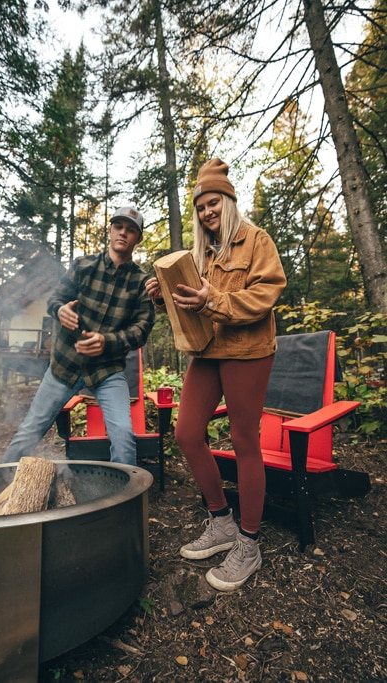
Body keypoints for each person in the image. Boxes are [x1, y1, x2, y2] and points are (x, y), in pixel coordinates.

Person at [146, 159, 287, 591]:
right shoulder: (199, 254)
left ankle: (249, 541)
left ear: (228, 201)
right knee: (187, 433)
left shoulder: (255, 240)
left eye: (214, 203)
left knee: (245, 440)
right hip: (208, 351)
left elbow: (266, 293)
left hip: (247, 350)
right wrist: (162, 296)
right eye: (201, 207)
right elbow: (190, 303)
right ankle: (221, 519)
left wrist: (214, 299)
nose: (207, 212)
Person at [3, 206, 155, 466]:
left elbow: (141, 330)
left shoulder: (142, 282)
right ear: (110, 230)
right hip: (65, 365)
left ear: (138, 238)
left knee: (124, 437)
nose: (123, 233)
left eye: (130, 230)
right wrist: (60, 310)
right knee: (31, 430)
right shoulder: (83, 266)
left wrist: (108, 342)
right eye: (119, 227)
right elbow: (55, 299)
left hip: (108, 371)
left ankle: (124, 504)